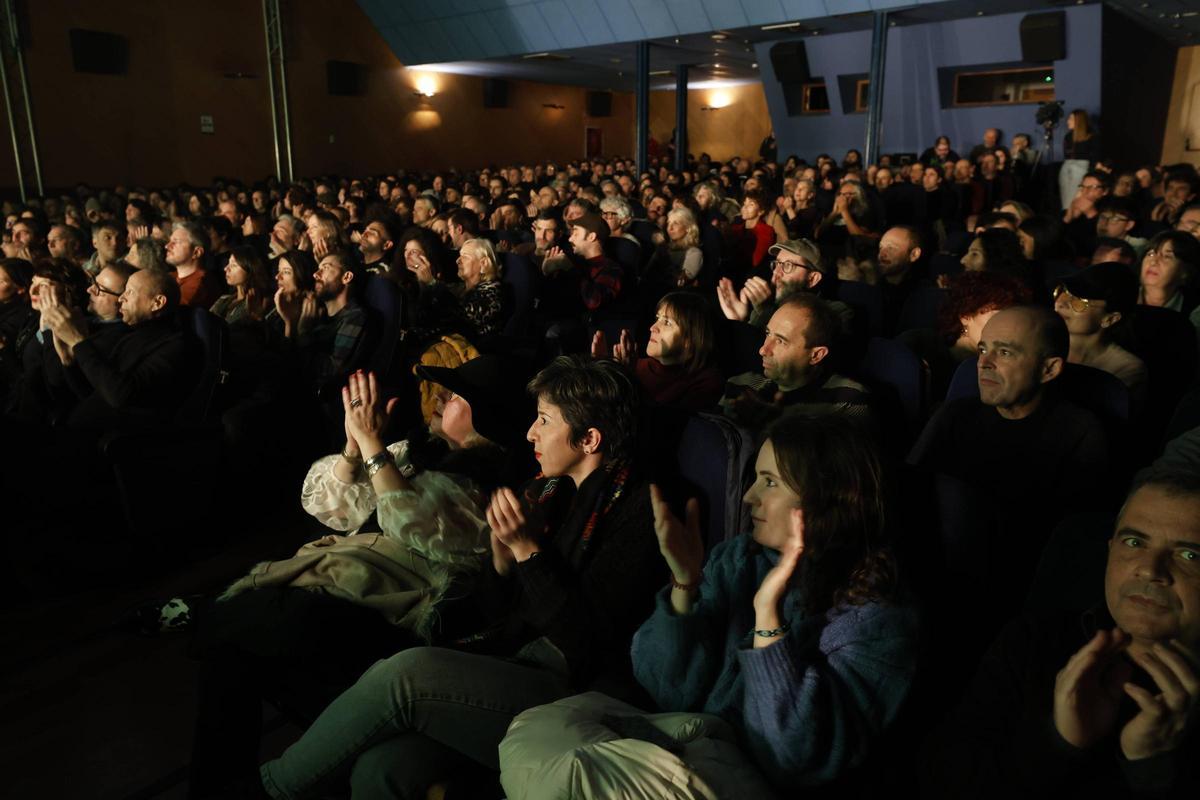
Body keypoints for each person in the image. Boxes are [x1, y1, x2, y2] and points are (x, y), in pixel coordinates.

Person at [257, 356, 665, 799]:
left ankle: (268, 789)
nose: (531, 433)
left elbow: (586, 644)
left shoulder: (639, 508)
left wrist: (528, 552)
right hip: (520, 658)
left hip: (575, 693)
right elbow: (499, 612)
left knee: (405, 673)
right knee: (381, 768)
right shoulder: (549, 491)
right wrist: (502, 560)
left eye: (545, 421)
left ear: (589, 439)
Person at [498, 414, 918, 798]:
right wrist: (684, 583)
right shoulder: (741, 557)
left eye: (770, 482)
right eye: (754, 478)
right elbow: (661, 686)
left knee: (562, 776)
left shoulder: (878, 622)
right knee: (536, 741)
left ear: (827, 499)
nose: (750, 497)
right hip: (688, 749)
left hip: (746, 784)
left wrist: (768, 621)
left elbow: (789, 759)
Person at [187, 357, 535, 797]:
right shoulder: (417, 450)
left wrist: (372, 445)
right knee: (230, 648)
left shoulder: (483, 489)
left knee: (254, 624)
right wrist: (354, 453)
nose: (439, 399)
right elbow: (328, 507)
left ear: (487, 421)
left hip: (391, 614)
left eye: (454, 398)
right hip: (343, 584)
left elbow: (414, 527)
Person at [924, 465, 1200, 798]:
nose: (1149, 569)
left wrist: (1150, 768)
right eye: (1134, 541)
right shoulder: (1031, 640)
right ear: (1111, 549)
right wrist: (1061, 743)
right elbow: (940, 782)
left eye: (1189, 555)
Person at [721, 293, 871, 431]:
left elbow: (837, 458)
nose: (763, 350)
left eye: (780, 341)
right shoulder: (741, 385)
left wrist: (774, 424)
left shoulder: (847, 401)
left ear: (816, 355)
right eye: (768, 333)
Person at [591, 291, 723, 411]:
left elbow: (661, 426)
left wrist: (624, 378)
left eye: (667, 322)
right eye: (657, 318)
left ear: (691, 338)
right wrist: (602, 373)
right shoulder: (639, 365)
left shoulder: (706, 382)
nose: (653, 328)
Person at [1053, 262, 1147, 392]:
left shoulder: (1125, 370)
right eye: (1062, 292)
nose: (1060, 303)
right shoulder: (1039, 344)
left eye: (1079, 302)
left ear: (1110, 319)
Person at [1138, 230, 1198, 316]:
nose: (1153, 262)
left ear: (1185, 271)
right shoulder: (1123, 297)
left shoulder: (1194, 312)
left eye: (1167, 256)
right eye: (1150, 254)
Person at [210, 245, 274, 326]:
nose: (226, 268)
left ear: (251, 269)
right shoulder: (224, 300)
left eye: (233, 265)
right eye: (228, 263)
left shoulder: (260, 304)